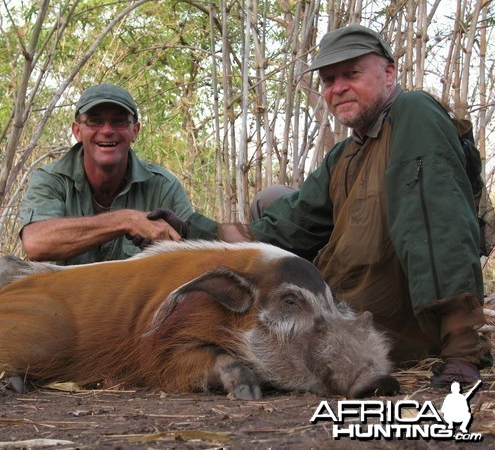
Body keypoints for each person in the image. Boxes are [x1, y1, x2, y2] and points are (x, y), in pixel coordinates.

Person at [153, 24, 492, 387]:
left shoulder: (414, 113)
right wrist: (192, 229)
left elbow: (436, 223)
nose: (338, 87)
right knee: (271, 200)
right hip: (335, 309)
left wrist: (461, 347)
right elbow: (288, 226)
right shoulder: (344, 155)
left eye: (352, 73)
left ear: (389, 73)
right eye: (329, 80)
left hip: (388, 326)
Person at [18, 83, 194, 265]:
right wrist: (127, 220)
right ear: (77, 131)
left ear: (135, 130)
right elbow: (35, 242)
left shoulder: (163, 187)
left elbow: (194, 250)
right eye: (95, 121)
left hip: (136, 292)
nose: (107, 131)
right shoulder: (52, 179)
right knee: (1, 272)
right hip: (63, 292)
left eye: (119, 121)